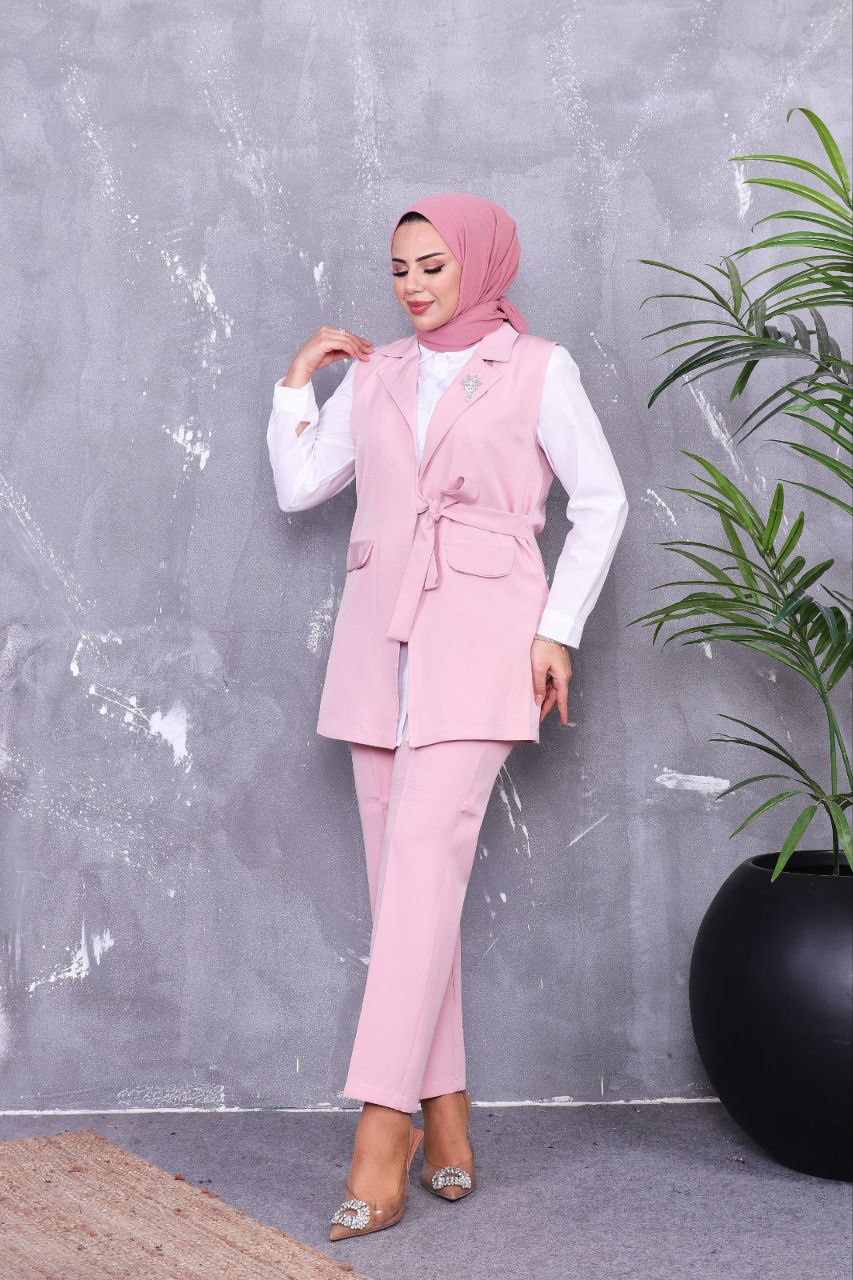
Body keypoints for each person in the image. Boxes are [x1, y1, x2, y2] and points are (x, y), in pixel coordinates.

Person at [266, 192, 629, 1241]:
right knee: (405, 894)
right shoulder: (375, 372)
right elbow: (300, 488)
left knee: (423, 864)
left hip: (486, 638)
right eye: (399, 269)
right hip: (375, 643)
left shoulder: (538, 367)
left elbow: (601, 502)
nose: (414, 286)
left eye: (432, 265)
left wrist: (556, 627)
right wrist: (297, 385)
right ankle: (448, 1109)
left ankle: (383, 1130)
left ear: (478, 262)